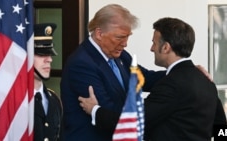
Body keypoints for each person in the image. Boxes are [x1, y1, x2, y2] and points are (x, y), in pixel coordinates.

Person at [60, 4, 166, 141]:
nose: (125, 43)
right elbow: (109, 111)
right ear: (99, 33)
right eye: (120, 37)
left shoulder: (119, 55)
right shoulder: (82, 63)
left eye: (128, 37)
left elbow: (145, 78)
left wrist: (180, 71)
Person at [143, 17, 227, 141]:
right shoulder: (206, 81)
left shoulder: (170, 84)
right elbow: (221, 127)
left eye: (154, 43)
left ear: (166, 47)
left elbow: (137, 120)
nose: (152, 48)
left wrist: (102, 114)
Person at [33, 23, 63, 141]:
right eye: (42, 54)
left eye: (49, 54)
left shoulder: (54, 99)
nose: (49, 59)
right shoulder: (13, 101)